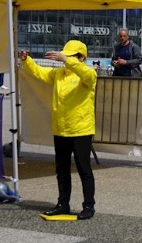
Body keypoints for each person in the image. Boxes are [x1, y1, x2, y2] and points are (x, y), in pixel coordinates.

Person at [19, 40, 98, 219]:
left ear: (82, 57)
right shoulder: (59, 74)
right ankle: (63, 204)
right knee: (62, 170)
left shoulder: (88, 74)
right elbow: (39, 72)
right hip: (61, 129)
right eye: (65, 55)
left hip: (81, 130)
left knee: (84, 169)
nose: (65, 59)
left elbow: (86, 74)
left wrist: (67, 60)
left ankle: (89, 206)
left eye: (71, 56)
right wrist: (26, 60)